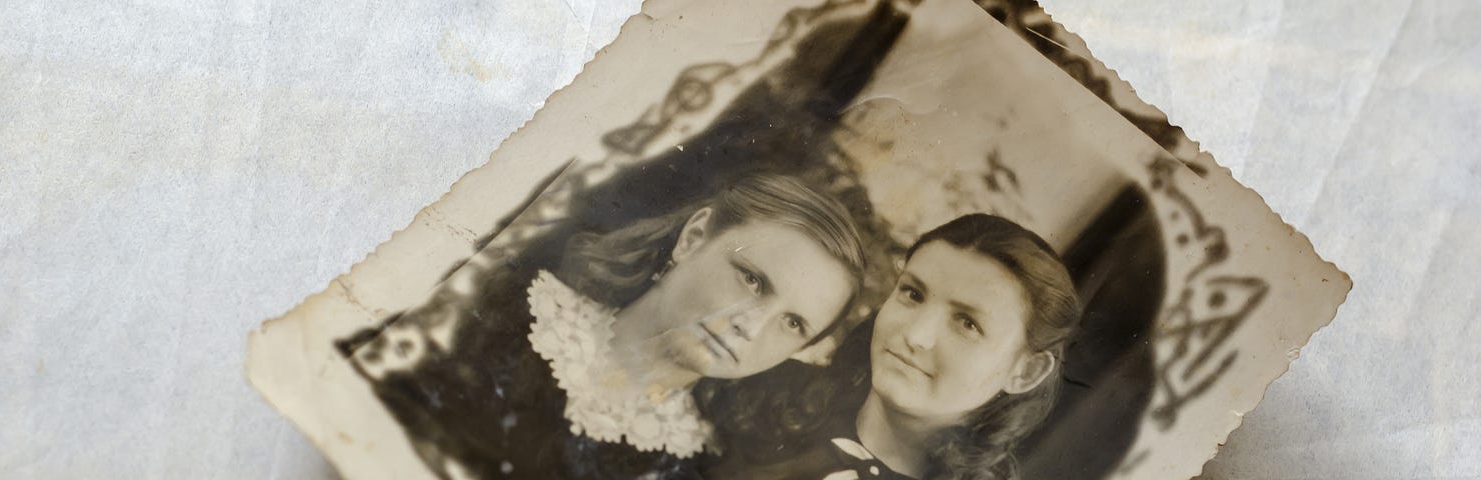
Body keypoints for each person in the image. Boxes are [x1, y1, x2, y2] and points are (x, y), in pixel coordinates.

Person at [343, 174, 868, 479]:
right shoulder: (497, 302)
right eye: (752, 281)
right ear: (694, 237)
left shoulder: (688, 471)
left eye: (794, 324)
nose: (750, 328)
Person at [710, 213, 1080, 479]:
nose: (916, 335)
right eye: (913, 294)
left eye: (968, 323)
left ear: (1025, 372)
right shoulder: (751, 392)